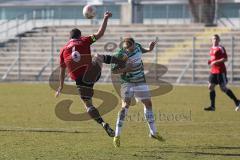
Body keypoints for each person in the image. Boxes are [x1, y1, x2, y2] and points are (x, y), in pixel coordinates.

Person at [55, 11, 124, 137]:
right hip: (91, 74)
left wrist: (60, 86)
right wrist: (105, 18)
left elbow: (62, 70)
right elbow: (100, 33)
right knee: (98, 56)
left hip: (80, 82)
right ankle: (121, 62)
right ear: (79, 36)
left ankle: (103, 123)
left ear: (69, 38)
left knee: (88, 105)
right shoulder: (84, 40)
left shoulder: (63, 49)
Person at [111, 37, 164, 147]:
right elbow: (114, 70)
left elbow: (142, 50)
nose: (129, 51)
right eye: (127, 49)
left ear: (134, 44)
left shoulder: (138, 46)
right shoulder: (120, 55)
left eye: (131, 48)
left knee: (148, 104)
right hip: (127, 82)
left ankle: (153, 133)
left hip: (140, 80)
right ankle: (117, 135)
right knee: (125, 106)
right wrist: (126, 69)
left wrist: (149, 49)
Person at [204, 34, 240, 112]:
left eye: (216, 39)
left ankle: (237, 101)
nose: (215, 40)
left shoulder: (221, 48)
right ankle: (212, 106)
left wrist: (216, 62)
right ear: (211, 40)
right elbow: (213, 59)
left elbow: (225, 59)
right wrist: (210, 62)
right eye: (213, 39)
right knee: (210, 87)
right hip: (213, 71)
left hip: (220, 71)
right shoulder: (211, 49)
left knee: (223, 88)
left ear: (219, 40)